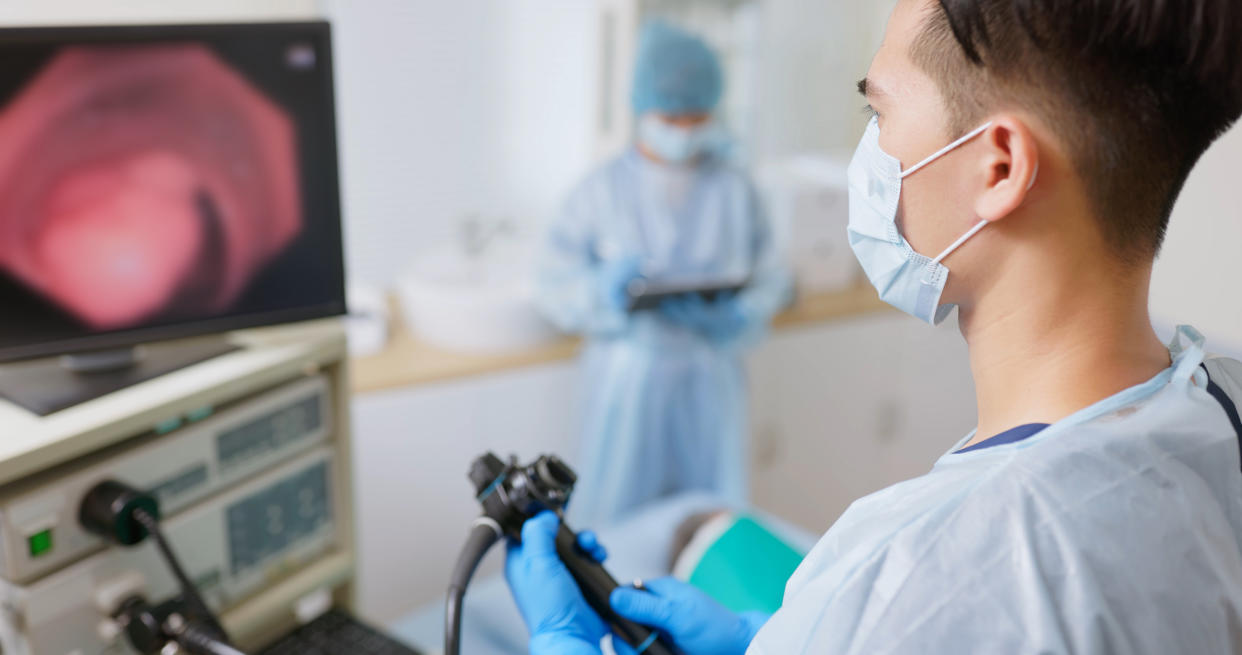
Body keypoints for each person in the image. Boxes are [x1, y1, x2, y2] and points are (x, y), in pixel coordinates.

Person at [506, 0, 1242, 653]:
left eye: (878, 113)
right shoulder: (1222, 408)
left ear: (998, 167)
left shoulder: (907, 578)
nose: (869, 155)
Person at [536, 21, 792, 524]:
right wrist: (604, 294)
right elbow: (553, 286)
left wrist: (741, 314)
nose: (684, 128)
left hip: (709, 375)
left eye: (696, 115)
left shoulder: (735, 189)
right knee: (615, 526)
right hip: (629, 381)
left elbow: (772, 276)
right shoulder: (598, 191)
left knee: (711, 521)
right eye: (671, 115)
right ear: (642, 107)